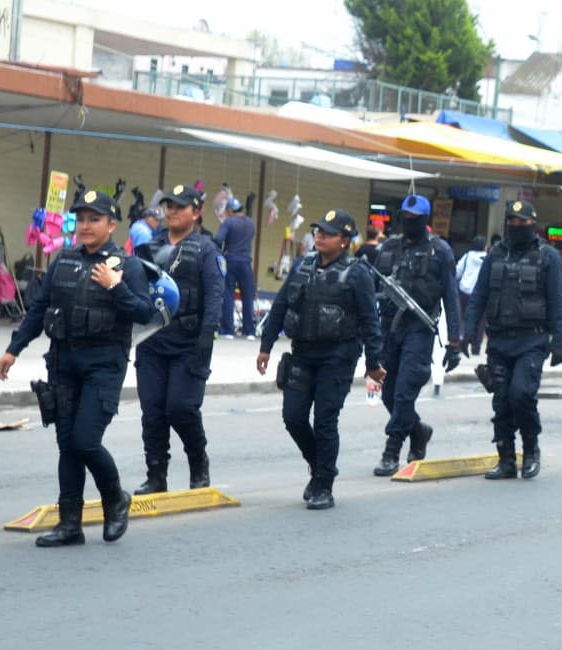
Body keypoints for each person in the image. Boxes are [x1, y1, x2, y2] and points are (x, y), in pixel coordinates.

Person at [0, 190, 155, 547]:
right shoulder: (63, 261)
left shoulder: (126, 266)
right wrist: (13, 350)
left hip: (104, 365)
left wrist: (117, 289)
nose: (85, 226)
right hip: (64, 363)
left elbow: (145, 312)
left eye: (94, 219)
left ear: (112, 225)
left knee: (85, 441)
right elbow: (38, 310)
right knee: (67, 445)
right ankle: (70, 524)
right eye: (81, 219)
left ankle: (115, 497)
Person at [257, 210, 386, 509]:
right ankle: (320, 467)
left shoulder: (357, 274)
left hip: (338, 357)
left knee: (326, 421)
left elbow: (370, 321)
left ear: (344, 240)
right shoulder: (303, 266)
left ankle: (323, 485)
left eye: (327, 233)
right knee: (293, 417)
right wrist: (266, 346)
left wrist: (373, 362)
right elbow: (279, 307)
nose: (319, 236)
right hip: (302, 354)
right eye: (318, 231)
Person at [464, 201, 562, 480]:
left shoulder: (548, 257)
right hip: (498, 341)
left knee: (521, 395)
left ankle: (531, 451)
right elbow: (479, 295)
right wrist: (468, 331)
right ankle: (506, 460)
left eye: (522, 222)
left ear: (533, 224)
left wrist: (559, 340)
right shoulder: (496, 253)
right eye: (512, 221)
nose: (517, 226)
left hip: (531, 341)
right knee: (501, 403)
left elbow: (557, 301)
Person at [133, 184, 224, 494]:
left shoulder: (206, 249)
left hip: (188, 343)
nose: (171, 211)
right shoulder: (148, 247)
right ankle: (156, 475)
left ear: (196, 212)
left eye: (179, 206)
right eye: (168, 206)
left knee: (181, 408)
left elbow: (214, 296)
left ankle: (198, 462)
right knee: (153, 411)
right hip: (152, 342)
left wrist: (206, 339)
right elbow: (135, 290)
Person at [371, 194, 462, 476]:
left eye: (415, 220)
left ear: (425, 221)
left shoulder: (440, 251)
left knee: (404, 392)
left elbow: (450, 296)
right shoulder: (389, 247)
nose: (410, 224)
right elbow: (370, 289)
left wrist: (454, 342)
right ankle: (418, 431)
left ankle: (392, 449)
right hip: (389, 329)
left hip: (419, 330)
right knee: (387, 395)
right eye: (406, 219)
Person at [215, 197, 257, 340]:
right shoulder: (251, 223)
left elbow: (218, 239)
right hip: (246, 262)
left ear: (230, 210)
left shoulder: (229, 222)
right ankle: (249, 331)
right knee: (248, 297)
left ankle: (228, 330)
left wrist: (222, 252)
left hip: (230, 261)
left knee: (228, 295)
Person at [456, 235, 488, 356]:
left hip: (465, 291)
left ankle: (461, 338)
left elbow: (457, 271)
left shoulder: (467, 256)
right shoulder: (488, 258)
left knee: (463, 317)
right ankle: (476, 346)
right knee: (480, 321)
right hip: (481, 293)